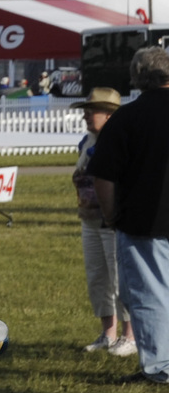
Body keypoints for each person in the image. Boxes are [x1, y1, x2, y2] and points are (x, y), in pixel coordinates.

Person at [89, 45, 169, 384]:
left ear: (137, 78)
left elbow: (103, 176)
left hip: (144, 220)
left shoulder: (127, 118)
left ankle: (159, 367)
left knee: (150, 297)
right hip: (146, 220)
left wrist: (110, 215)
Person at [71, 88, 133, 354]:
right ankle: (108, 333)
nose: (85, 114)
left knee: (120, 279)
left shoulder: (120, 141)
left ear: (108, 115)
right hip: (90, 220)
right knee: (98, 277)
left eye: (91, 110)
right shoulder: (87, 141)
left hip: (113, 222)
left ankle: (130, 336)